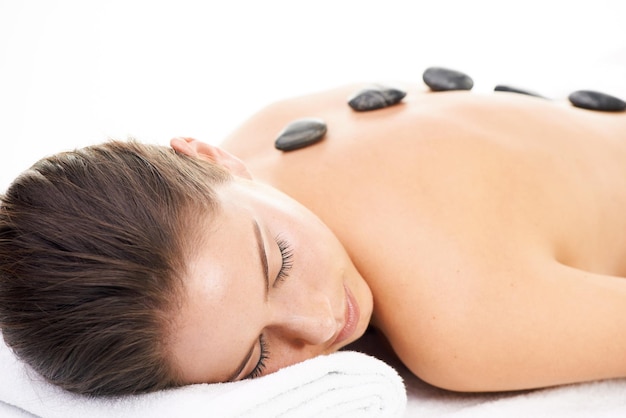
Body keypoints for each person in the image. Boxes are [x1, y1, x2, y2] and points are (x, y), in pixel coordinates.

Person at [1, 83, 626, 397]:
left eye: (281, 262)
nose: (323, 321)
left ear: (209, 157)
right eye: (259, 359)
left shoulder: (459, 323)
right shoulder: (265, 134)